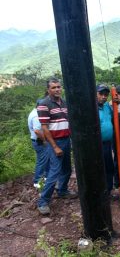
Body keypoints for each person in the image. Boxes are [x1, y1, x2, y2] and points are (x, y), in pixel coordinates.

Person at [36, 78, 77, 215]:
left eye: (59, 87)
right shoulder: (44, 104)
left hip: (66, 139)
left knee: (67, 168)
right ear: (48, 90)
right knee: (54, 172)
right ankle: (43, 202)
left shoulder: (64, 102)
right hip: (56, 142)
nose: (57, 89)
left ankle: (63, 191)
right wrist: (55, 147)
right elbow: (45, 128)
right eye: (53, 87)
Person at [96, 84, 115, 194]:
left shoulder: (107, 107)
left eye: (106, 95)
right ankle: (100, 192)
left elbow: (115, 116)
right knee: (100, 169)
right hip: (97, 145)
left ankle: (108, 191)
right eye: (101, 94)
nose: (103, 96)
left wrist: (116, 102)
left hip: (108, 143)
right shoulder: (91, 109)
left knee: (109, 167)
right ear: (96, 94)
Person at [28, 103, 49, 189]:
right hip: (39, 141)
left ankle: (46, 178)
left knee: (45, 159)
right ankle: (37, 182)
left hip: (37, 140)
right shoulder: (36, 116)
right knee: (42, 161)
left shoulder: (34, 112)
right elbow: (37, 131)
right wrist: (44, 140)